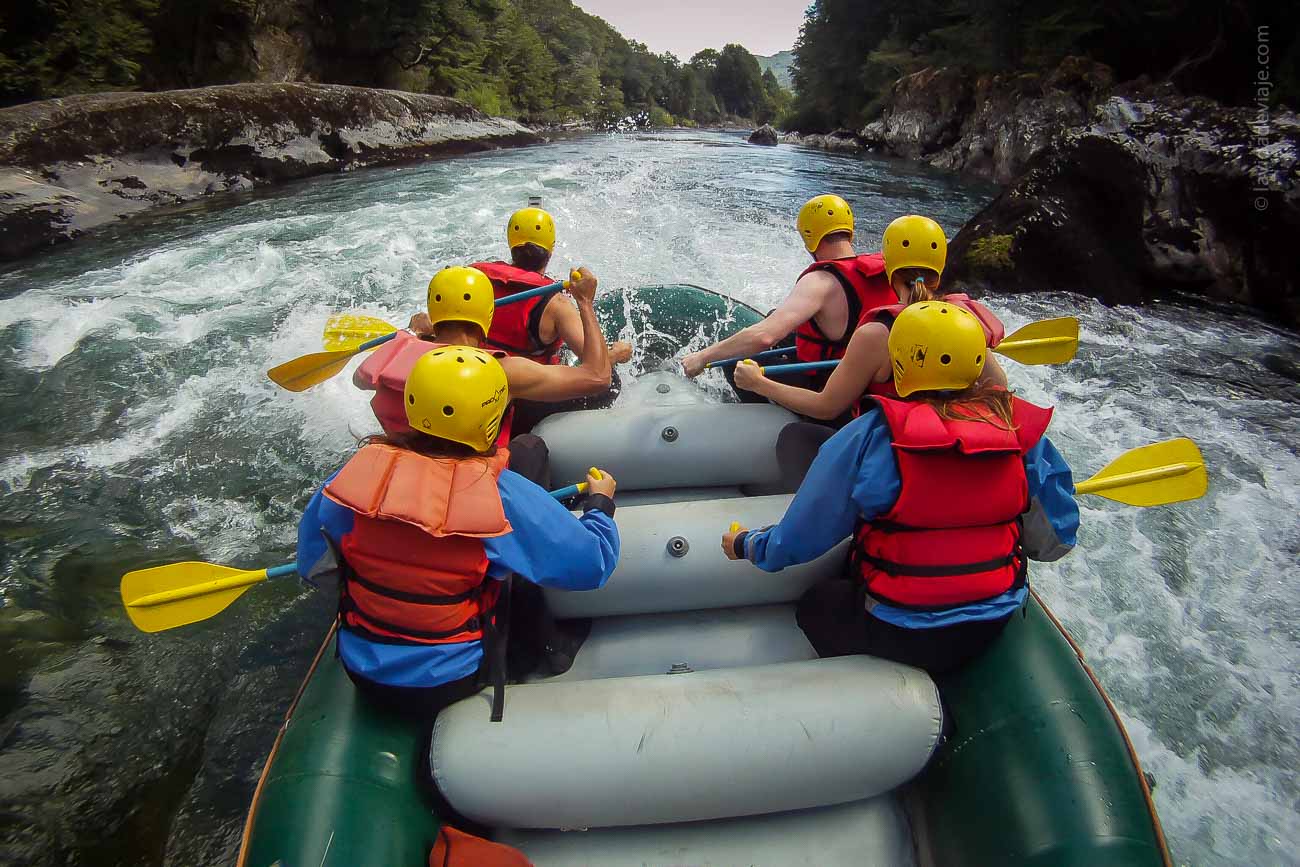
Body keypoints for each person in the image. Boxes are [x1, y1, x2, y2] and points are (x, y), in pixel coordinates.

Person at [721, 302, 1078, 674]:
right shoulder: (1022, 435)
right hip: (990, 623)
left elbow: (799, 539)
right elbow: (1054, 542)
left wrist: (747, 545)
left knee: (817, 603)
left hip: (901, 629)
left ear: (900, 364)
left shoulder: (870, 436)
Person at [298, 346, 620, 721]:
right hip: (450, 681)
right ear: (492, 416)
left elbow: (312, 565)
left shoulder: (352, 477)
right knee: (506, 561)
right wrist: (600, 507)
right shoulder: (501, 495)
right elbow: (591, 565)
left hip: (362, 673)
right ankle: (541, 653)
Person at [734, 215, 1008, 452]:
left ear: (887, 266)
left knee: (796, 438)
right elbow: (1000, 390)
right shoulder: (967, 323)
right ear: (940, 268)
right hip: (952, 441)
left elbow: (826, 406)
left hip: (893, 449)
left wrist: (758, 383)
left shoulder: (877, 333)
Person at [357, 265, 612, 485]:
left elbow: (360, 380)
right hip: (473, 481)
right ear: (488, 313)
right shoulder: (503, 370)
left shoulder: (395, 351)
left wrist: (411, 335)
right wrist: (585, 302)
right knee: (529, 448)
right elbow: (599, 377)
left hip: (408, 468)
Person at [412, 207, 631, 432]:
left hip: (469, 380)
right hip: (520, 390)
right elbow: (597, 372)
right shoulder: (556, 304)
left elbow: (436, 323)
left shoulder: (477, 283)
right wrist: (612, 351)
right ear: (551, 249)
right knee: (610, 382)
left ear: (511, 245)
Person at [680, 195, 897, 401]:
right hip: (871, 375)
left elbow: (763, 337)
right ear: (849, 231)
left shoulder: (821, 281)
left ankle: (766, 419)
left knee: (736, 363)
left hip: (832, 386)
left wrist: (702, 357)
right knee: (779, 319)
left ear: (809, 239)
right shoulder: (888, 271)